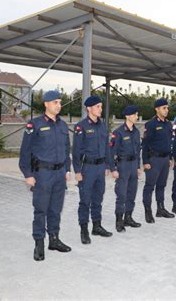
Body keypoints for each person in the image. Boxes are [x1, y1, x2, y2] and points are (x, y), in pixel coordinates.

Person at [19, 90, 72, 261]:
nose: (59, 105)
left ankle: (54, 240)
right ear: (46, 104)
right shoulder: (34, 125)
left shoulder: (63, 125)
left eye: (60, 102)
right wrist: (28, 174)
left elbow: (66, 149)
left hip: (59, 173)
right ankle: (39, 243)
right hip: (42, 174)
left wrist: (67, 170)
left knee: (56, 209)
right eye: (56, 102)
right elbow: (25, 153)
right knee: (41, 209)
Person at [72, 95, 112, 244]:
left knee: (98, 198)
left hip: (101, 168)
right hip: (87, 168)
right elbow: (76, 151)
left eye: (101, 106)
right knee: (85, 200)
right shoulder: (81, 126)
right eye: (98, 106)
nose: (100, 109)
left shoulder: (102, 126)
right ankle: (84, 230)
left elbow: (107, 147)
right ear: (89, 108)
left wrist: (108, 165)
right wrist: (77, 171)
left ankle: (97, 226)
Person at [110, 105, 142, 232]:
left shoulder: (136, 131)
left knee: (132, 193)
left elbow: (138, 151)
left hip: (133, 165)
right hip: (123, 165)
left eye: (136, 114)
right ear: (127, 116)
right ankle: (119, 221)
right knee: (121, 194)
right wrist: (113, 169)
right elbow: (111, 151)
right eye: (134, 115)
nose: (136, 117)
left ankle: (128, 217)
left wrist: (138, 167)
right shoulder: (118, 132)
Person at [142, 98, 175, 223]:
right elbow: (145, 144)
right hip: (154, 159)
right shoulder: (151, 124)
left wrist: (170, 157)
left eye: (167, 108)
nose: (166, 110)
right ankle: (148, 212)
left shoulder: (168, 124)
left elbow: (169, 142)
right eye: (164, 108)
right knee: (149, 186)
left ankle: (160, 209)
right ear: (157, 109)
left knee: (162, 185)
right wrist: (145, 161)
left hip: (165, 159)